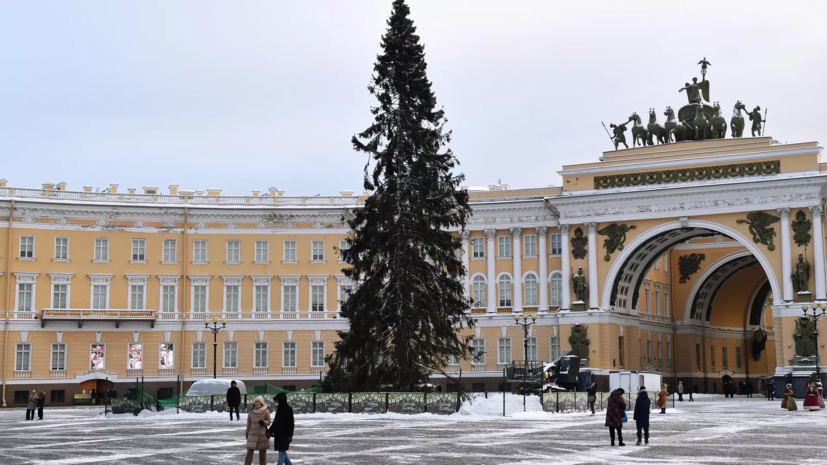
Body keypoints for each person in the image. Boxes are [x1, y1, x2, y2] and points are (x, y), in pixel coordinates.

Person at [269, 392, 295, 464]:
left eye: (277, 400)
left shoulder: (288, 409)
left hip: (285, 436)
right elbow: (276, 421)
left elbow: (291, 424)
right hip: (278, 435)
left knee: (281, 455)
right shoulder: (279, 409)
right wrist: (270, 430)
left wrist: (290, 435)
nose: (276, 402)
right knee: (283, 453)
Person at [245, 396, 271, 465]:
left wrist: (264, 422)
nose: (257, 403)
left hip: (262, 435)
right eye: (256, 402)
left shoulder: (266, 411)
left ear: (261, 403)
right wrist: (247, 433)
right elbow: (248, 424)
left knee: (263, 454)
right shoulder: (251, 411)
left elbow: (269, 422)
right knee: (249, 452)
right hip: (252, 434)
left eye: (258, 402)